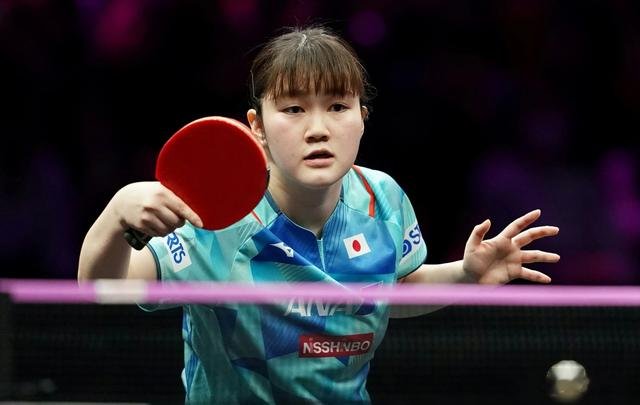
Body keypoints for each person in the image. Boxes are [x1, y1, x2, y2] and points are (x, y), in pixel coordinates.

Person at [78, 26, 560, 404]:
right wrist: (116, 217)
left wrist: (465, 275)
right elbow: (103, 291)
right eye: (293, 108)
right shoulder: (214, 218)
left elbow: (389, 292)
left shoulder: (383, 200)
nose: (318, 129)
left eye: (337, 106)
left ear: (362, 117)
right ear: (257, 127)